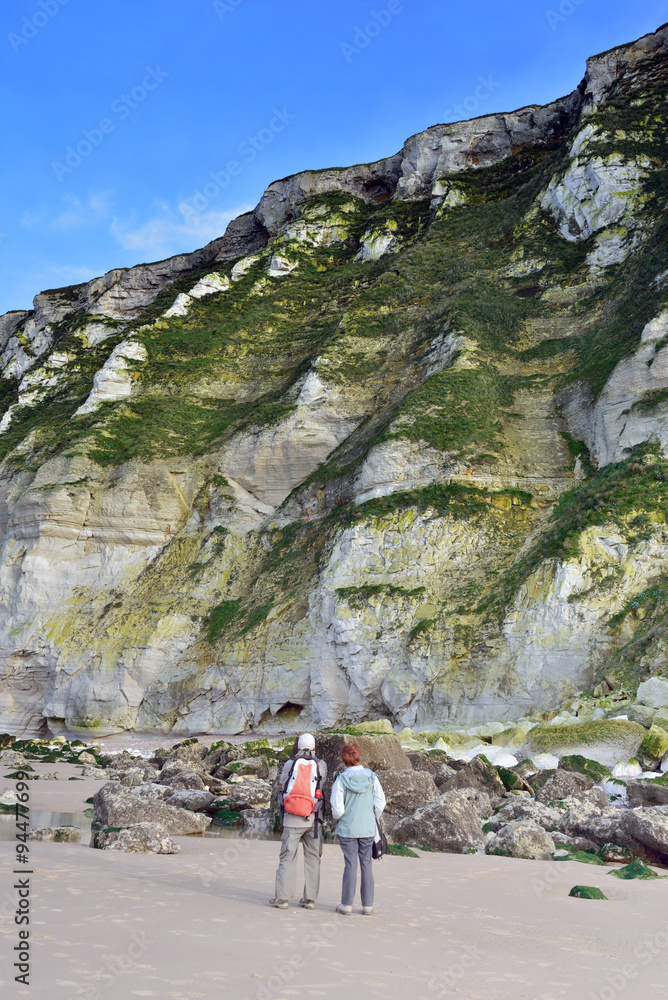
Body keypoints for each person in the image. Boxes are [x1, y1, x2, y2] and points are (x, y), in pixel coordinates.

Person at [269, 733, 328, 910]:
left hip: (292, 818)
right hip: (313, 819)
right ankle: (309, 899)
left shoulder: (289, 764)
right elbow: (321, 786)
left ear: (298, 747)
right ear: (314, 747)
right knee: (313, 858)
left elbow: (282, 785)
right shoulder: (321, 765)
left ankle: (282, 898)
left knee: (287, 857)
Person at [330, 740, 386, 916]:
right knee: (367, 865)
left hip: (348, 829)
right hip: (367, 828)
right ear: (359, 756)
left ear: (344, 759)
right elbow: (380, 802)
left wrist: (340, 818)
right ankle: (367, 905)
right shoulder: (372, 777)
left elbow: (337, 808)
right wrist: (371, 817)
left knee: (350, 865)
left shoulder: (341, 779)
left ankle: (346, 905)